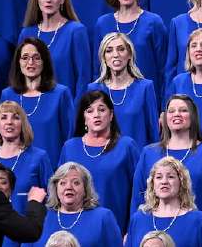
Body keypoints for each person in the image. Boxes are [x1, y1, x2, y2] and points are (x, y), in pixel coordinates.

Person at [130, 94, 202, 221]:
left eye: (183, 110)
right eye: (171, 111)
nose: (176, 114)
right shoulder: (149, 153)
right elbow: (138, 197)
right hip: (157, 232)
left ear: (193, 116)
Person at [58, 90, 140, 233]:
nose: (96, 115)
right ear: (83, 117)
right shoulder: (70, 147)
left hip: (117, 229)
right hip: (74, 232)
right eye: (90, 111)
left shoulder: (126, 146)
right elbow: (59, 191)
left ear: (111, 115)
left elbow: (139, 192)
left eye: (101, 109)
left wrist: (131, 231)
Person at [0, 38, 73, 163]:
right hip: (14, 169)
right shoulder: (8, 94)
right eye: (25, 57)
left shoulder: (61, 94)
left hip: (53, 170)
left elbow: (69, 137)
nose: (30, 62)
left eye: (36, 57)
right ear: (18, 62)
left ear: (44, 62)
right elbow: (0, 137)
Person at [17, 0, 92, 97]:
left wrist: (77, 113)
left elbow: (83, 79)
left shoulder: (76, 31)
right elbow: (19, 75)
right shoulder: (26, 33)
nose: (48, 0)